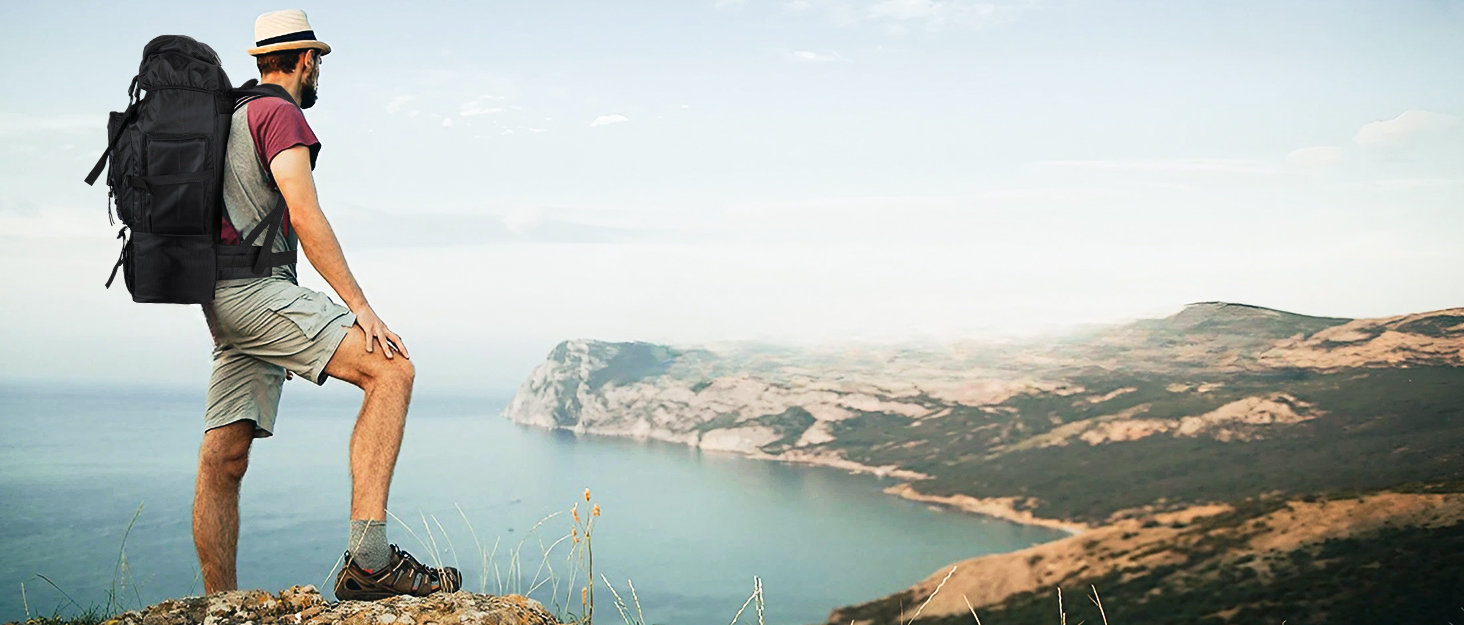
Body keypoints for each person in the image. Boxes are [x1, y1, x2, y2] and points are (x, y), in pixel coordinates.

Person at [192, 9, 461, 601]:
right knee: (391, 370)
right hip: (258, 293)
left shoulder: (230, 114)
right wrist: (361, 307)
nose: (319, 72)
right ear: (307, 59)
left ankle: (221, 605)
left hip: (223, 300)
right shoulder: (279, 114)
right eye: (319, 62)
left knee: (224, 457)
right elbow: (304, 212)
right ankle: (370, 563)